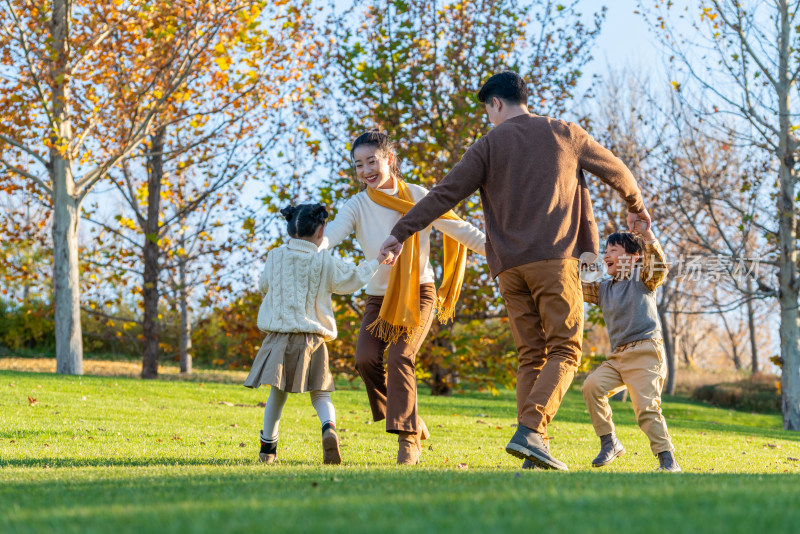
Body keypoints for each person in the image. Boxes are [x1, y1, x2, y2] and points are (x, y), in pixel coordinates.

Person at [380, 71, 651, 470]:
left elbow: (444, 194)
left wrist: (400, 232)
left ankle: (532, 449)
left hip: (508, 269)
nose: (488, 118)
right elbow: (619, 172)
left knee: (531, 355)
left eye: (487, 110)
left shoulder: (487, 146)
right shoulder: (566, 133)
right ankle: (531, 430)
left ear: (496, 103)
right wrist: (635, 205)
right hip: (555, 260)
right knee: (565, 349)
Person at [322, 130, 486, 465]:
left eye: (372, 161)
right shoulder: (357, 205)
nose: (366, 170)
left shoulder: (417, 196)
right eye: (358, 165)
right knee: (366, 359)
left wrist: (501, 252)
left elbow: (460, 229)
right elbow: (333, 234)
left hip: (419, 292)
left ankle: (408, 439)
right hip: (378, 297)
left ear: (389, 160)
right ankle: (410, 417)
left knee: (400, 357)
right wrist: (310, 248)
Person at [244, 202, 386, 465]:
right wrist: (377, 261)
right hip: (312, 339)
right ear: (322, 231)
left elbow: (265, 286)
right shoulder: (325, 261)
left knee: (277, 393)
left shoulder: (274, 256)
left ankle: (268, 450)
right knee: (320, 393)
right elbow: (351, 281)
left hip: (279, 338)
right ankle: (328, 427)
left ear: (289, 229)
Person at [580, 224, 680, 472]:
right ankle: (610, 442)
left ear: (634, 258)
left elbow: (658, 266)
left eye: (614, 250)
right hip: (618, 357)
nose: (606, 256)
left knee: (646, 408)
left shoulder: (642, 279)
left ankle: (668, 461)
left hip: (646, 353)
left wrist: (647, 236)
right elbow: (574, 287)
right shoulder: (603, 288)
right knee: (592, 386)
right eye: (606, 251)